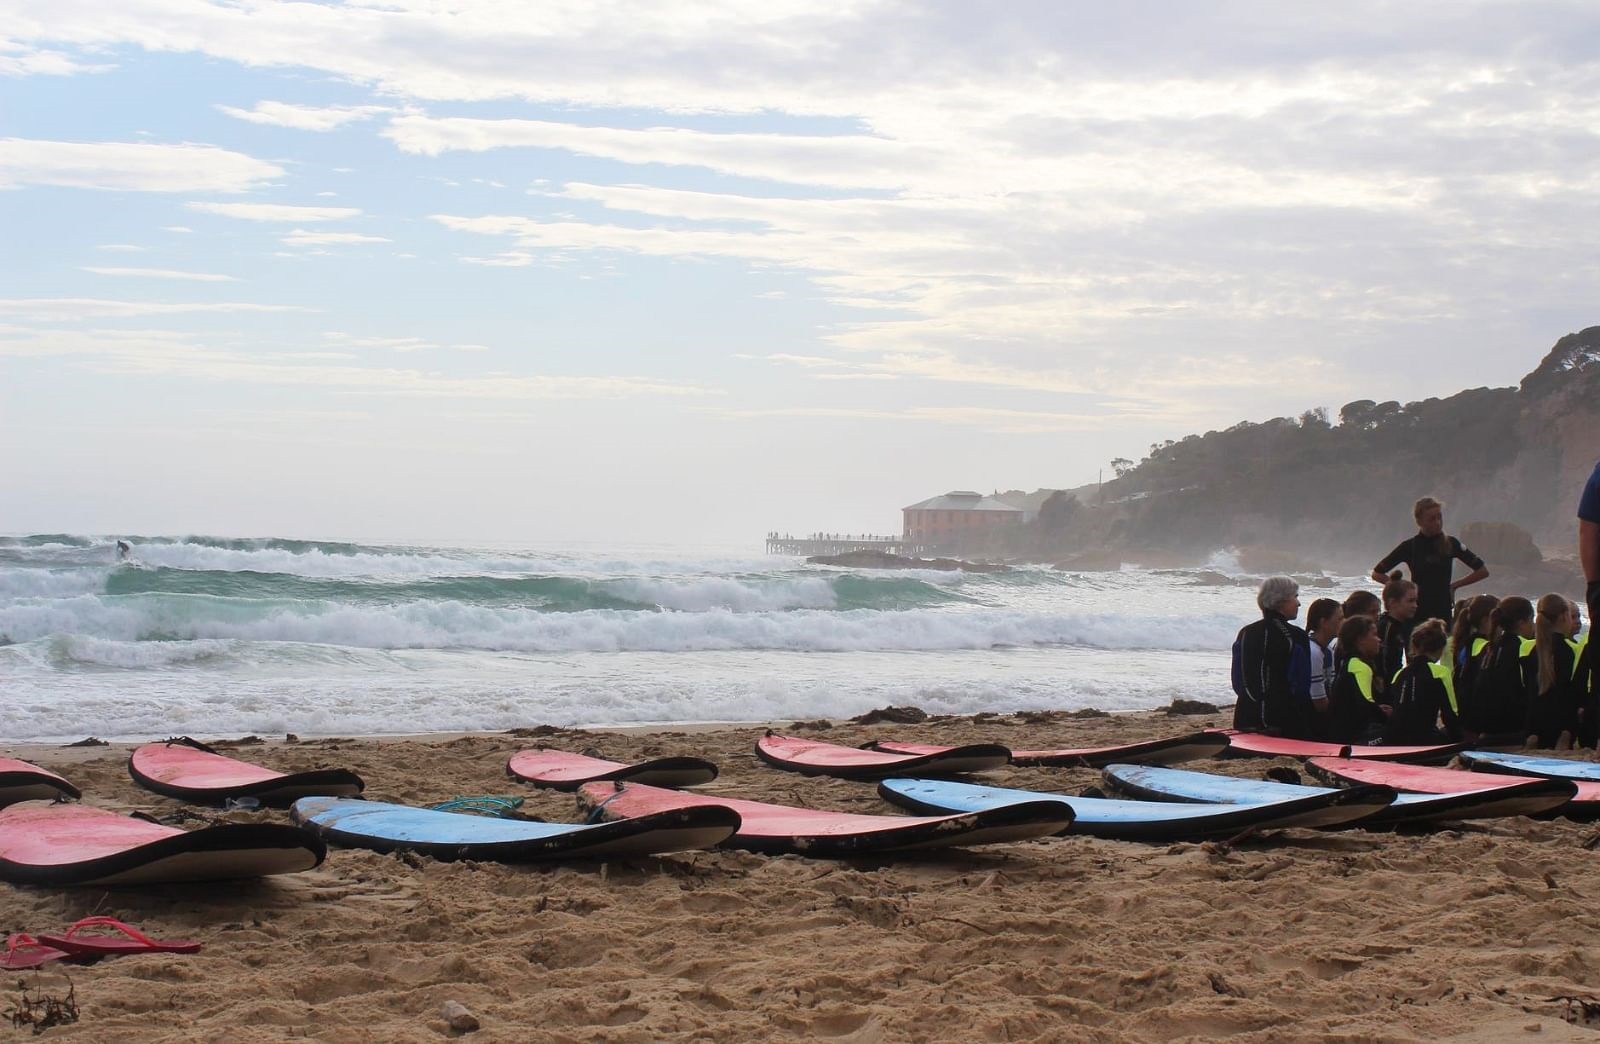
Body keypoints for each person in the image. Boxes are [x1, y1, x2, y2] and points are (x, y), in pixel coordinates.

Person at [1370, 497, 1489, 626]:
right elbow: (1377, 573)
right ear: (1420, 521)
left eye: (1439, 517)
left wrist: (1454, 586)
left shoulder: (1451, 543)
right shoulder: (1410, 546)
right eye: (1432, 519)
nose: (1438, 522)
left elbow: (1482, 571)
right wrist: (1402, 590)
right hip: (1417, 613)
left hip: (1443, 611)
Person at [1230, 575, 1312, 736]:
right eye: (1295, 597)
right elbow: (1302, 686)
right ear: (1280, 601)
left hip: (1245, 717)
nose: (1299, 603)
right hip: (1284, 722)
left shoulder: (1246, 632)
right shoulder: (1296, 636)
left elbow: (1238, 681)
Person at [1383, 619, 1462, 744]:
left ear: (1414, 647)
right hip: (1424, 739)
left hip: (1394, 740)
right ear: (1441, 648)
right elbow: (1450, 714)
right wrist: (1460, 744)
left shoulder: (1399, 675)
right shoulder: (1440, 672)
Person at [1470, 595, 1536, 744]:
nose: (1533, 625)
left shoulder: (1490, 646)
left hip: (1485, 727)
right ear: (1521, 622)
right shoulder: (1524, 646)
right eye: (1531, 620)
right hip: (1511, 727)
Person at [1527, 593, 1582, 749]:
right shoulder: (1568, 650)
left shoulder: (1533, 650)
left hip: (1535, 722)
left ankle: (1533, 737)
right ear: (1564, 616)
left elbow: (1531, 689)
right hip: (1559, 723)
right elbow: (1570, 691)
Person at [1327, 614, 1389, 744]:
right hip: (1352, 739)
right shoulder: (1360, 667)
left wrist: (1378, 708)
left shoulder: (1348, 661)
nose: (1379, 640)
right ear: (1360, 639)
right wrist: (1388, 716)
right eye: (1374, 635)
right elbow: (1366, 705)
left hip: (1338, 733)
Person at [1450, 593, 1498, 735]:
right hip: (1473, 716)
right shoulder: (1480, 646)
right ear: (1486, 620)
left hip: (1467, 711)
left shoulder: (1468, 642)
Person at [1304, 598, 1342, 737]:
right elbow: (1318, 701)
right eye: (1339, 619)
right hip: (1308, 714)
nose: (1343, 623)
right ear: (1323, 622)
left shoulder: (1328, 650)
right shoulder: (1313, 651)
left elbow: (1331, 687)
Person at [1376, 578, 1419, 684]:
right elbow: (1381, 661)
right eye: (1410, 601)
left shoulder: (1401, 625)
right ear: (1393, 602)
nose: (1415, 605)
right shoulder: (1385, 627)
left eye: (1415, 601)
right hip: (1386, 687)